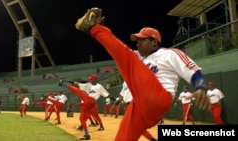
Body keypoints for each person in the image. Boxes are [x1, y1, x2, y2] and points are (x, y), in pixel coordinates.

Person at [74, 7, 210, 141]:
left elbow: (193, 69)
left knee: (127, 57)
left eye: (142, 40)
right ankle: (95, 29)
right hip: (139, 107)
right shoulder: (139, 57)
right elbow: (118, 49)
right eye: (137, 40)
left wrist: (200, 86)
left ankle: (92, 28)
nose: (138, 43)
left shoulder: (169, 53)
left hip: (159, 97)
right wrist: (104, 32)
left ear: (154, 42)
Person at [59, 74, 115, 140]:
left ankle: (63, 84)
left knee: (78, 91)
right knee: (82, 119)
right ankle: (86, 134)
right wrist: (67, 80)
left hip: (91, 100)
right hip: (87, 103)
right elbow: (77, 84)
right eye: (90, 79)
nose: (89, 80)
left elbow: (107, 94)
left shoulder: (99, 86)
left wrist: (115, 99)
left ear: (95, 79)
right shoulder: (88, 85)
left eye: (91, 79)